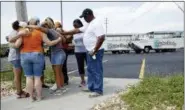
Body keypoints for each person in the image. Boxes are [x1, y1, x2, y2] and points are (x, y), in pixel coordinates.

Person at [61, 8, 105, 97]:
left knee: (96, 70)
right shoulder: (89, 24)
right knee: (90, 69)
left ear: (89, 15)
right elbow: (76, 30)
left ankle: (98, 90)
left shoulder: (96, 23)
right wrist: (63, 33)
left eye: (85, 17)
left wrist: (94, 50)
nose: (84, 19)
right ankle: (91, 86)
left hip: (95, 51)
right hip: (89, 50)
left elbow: (101, 37)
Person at [16, 18, 62, 101]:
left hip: (24, 55)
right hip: (37, 54)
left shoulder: (23, 32)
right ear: (37, 24)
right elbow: (49, 43)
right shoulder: (41, 32)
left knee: (29, 77)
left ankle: (31, 98)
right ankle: (39, 97)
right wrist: (58, 39)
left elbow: (17, 44)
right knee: (37, 77)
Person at [27, 17, 67, 94]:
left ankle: (59, 89)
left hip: (57, 54)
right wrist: (58, 41)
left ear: (45, 26)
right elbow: (64, 40)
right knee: (60, 72)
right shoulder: (56, 31)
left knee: (57, 73)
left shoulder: (49, 31)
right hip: (61, 52)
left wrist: (27, 26)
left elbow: (39, 28)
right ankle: (61, 86)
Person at [7, 20, 30, 99]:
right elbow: (17, 45)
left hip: (13, 56)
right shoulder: (18, 33)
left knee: (17, 75)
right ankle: (19, 92)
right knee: (18, 76)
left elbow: (10, 41)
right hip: (16, 57)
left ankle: (19, 91)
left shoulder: (12, 32)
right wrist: (21, 35)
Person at [55, 22, 69, 86]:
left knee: (62, 66)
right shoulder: (61, 31)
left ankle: (64, 80)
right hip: (63, 49)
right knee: (63, 66)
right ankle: (64, 80)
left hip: (62, 49)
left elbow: (66, 39)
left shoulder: (59, 31)